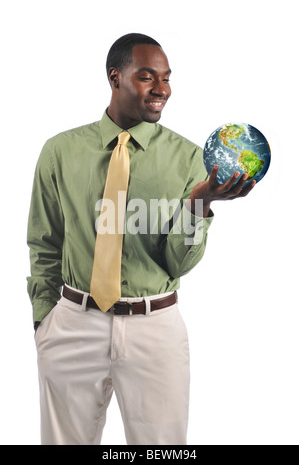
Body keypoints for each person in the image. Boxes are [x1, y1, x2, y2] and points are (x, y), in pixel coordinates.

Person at [27, 33, 255, 446]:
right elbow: (44, 242)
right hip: (73, 324)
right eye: (147, 77)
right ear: (115, 78)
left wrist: (199, 204)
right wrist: (44, 320)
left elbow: (177, 263)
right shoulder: (59, 152)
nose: (162, 90)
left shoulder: (189, 159)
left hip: (155, 330)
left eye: (166, 78)